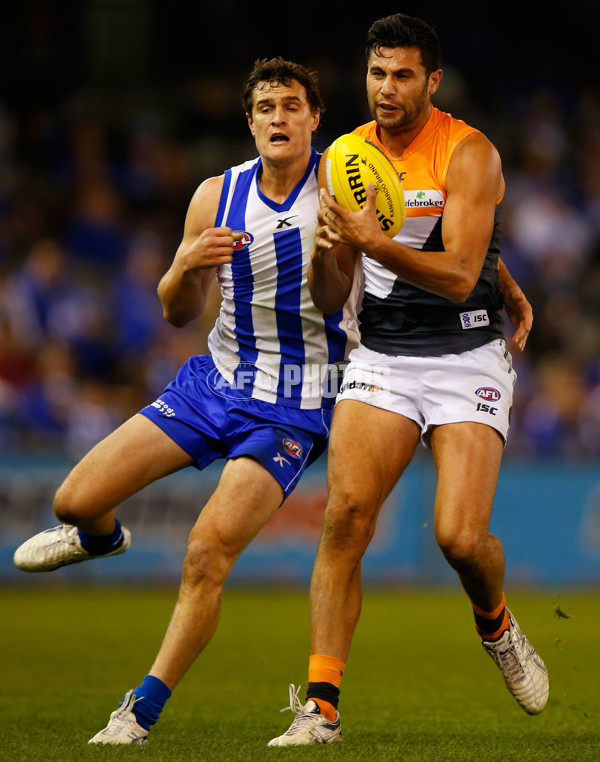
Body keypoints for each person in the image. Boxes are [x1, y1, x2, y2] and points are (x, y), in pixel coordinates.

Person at [12, 57, 360, 745]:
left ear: (315, 119)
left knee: (205, 554)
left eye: (292, 106)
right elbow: (176, 312)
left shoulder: (340, 190)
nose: (278, 118)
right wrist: (185, 266)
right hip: (213, 384)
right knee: (74, 501)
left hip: (292, 403)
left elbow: (329, 302)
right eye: (265, 108)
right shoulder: (216, 195)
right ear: (250, 121)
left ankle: (137, 711)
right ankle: (103, 537)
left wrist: (331, 254)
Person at [268, 14, 547, 747]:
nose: (385, 89)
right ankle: (321, 705)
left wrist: (374, 241)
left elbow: (460, 274)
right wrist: (334, 252)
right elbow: (333, 296)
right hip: (383, 358)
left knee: (459, 538)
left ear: (432, 81)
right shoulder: (345, 157)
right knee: (344, 518)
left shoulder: (469, 152)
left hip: (466, 356)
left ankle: (498, 624)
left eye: (400, 75)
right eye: (375, 73)